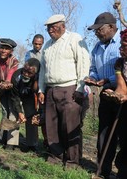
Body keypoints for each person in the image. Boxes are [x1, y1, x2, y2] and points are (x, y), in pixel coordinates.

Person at [38, 14, 90, 168]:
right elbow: (43, 70)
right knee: (51, 125)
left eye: (53, 27)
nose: (50, 31)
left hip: (70, 88)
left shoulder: (74, 39)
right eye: (48, 28)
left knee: (70, 126)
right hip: (51, 90)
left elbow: (83, 63)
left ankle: (72, 160)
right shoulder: (47, 45)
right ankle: (56, 155)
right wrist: (41, 89)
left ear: (63, 26)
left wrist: (80, 88)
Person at [85, 12, 121, 178]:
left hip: (122, 96)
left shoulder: (122, 42)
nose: (96, 33)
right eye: (95, 30)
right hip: (106, 95)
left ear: (112, 27)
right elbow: (93, 68)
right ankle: (102, 170)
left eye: (99, 29)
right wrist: (93, 78)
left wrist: (109, 79)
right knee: (105, 134)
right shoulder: (97, 48)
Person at [102, 29, 127, 179]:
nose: (121, 49)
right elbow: (121, 87)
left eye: (125, 46)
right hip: (125, 107)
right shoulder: (120, 64)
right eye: (121, 46)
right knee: (124, 139)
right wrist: (116, 94)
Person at [10, 58, 41, 151]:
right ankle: (11, 142)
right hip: (17, 95)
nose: (26, 74)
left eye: (30, 73)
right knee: (14, 115)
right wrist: (19, 112)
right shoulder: (16, 76)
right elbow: (15, 97)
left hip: (30, 97)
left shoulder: (39, 78)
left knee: (31, 117)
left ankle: (32, 144)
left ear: (36, 73)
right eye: (24, 71)